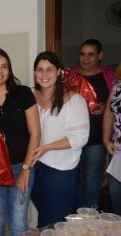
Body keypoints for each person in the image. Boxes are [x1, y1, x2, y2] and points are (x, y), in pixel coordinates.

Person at [0, 48, 41, 236]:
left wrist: (26, 170)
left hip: (22, 166)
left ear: (10, 70)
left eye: (4, 66)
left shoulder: (23, 93)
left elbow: (35, 133)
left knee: (19, 221)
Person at [31, 51, 90, 227]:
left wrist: (46, 147)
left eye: (49, 69)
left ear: (58, 72)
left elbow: (80, 138)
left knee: (55, 221)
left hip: (60, 170)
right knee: (44, 216)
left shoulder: (75, 100)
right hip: (34, 166)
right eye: (39, 70)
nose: (44, 75)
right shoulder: (29, 96)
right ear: (34, 72)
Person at [70, 39, 116, 208]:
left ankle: (89, 212)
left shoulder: (110, 76)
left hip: (97, 138)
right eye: (82, 54)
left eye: (91, 54)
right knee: (72, 175)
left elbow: (115, 105)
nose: (86, 58)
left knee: (92, 176)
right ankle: (73, 212)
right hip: (72, 138)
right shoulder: (71, 74)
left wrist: (105, 107)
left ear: (100, 55)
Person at [103, 63, 121, 215]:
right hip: (118, 151)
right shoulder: (117, 86)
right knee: (115, 192)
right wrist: (106, 140)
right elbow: (109, 113)